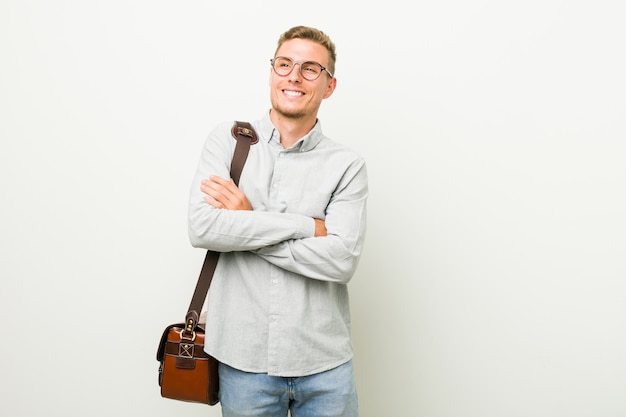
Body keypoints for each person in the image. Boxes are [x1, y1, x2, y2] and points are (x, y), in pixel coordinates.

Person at [187, 25, 368, 417]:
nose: (294, 76)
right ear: (272, 72)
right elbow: (203, 228)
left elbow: (341, 260)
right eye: (284, 64)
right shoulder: (228, 141)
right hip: (243, 361)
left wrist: (247, 222)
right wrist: (307, 227)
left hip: (325, 365)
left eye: (309, 68)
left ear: (329, 86)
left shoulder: (347, 166)